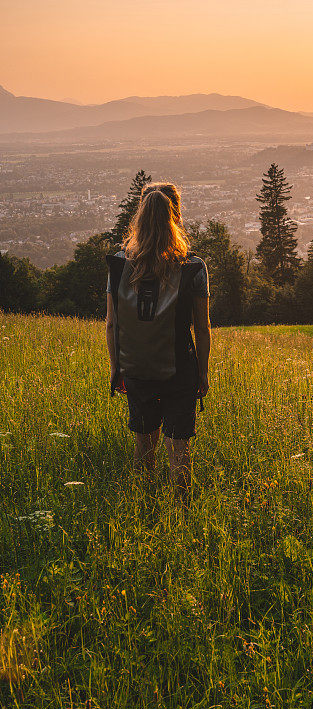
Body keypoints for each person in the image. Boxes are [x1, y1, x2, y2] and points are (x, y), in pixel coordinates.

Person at [105, 182, 210, 503]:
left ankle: (144, 510)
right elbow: (202, 327)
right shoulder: (192, 266)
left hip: (136, 369)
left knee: (143, 445)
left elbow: (112, 324)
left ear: (140, 217)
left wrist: (116, 368)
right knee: (179, 447)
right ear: (173, 216)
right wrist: (203, 373)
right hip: (180, 368)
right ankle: (181, 514)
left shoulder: (120, 263)